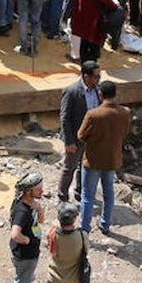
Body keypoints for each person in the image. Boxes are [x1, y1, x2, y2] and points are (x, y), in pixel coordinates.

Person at [77, 80, 131, 235]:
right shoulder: (125, 112)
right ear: (115, 94)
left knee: (88, 196)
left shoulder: (93, 114)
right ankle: (105, 224)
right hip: (112, 159)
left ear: (100, 94)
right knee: (109, 193)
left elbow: (81, 135)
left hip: (93, 159)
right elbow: (125, 131)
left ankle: (85, 229)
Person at [58, 61, 100, 203]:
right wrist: (69, 141)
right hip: (76, 138)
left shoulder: (98, 90)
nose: (98, 79)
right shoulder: (71, 91)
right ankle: (62, 195)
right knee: (70, 167)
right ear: (85, 76)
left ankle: (80, 191)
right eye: (95, 76)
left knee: (85, 167)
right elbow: (64, 118)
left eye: (99, 76)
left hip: (92, 138)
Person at [8, 171, 45, 283]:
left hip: (27, 253)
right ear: (29, 191)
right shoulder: (22, 211)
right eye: (39, 189)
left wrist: (39, 209)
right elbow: (15, 234)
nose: (42, 191)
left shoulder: (30, 204)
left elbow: (40, 221)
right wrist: (28, 240)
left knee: (25, 282)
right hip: (25, 256)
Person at [47, 201, 89, 283]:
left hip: (55, 277)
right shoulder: (82, 236)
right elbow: (85, 251)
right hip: (76, 279)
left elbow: (49, 247)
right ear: (74, 219)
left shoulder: (52, 234)